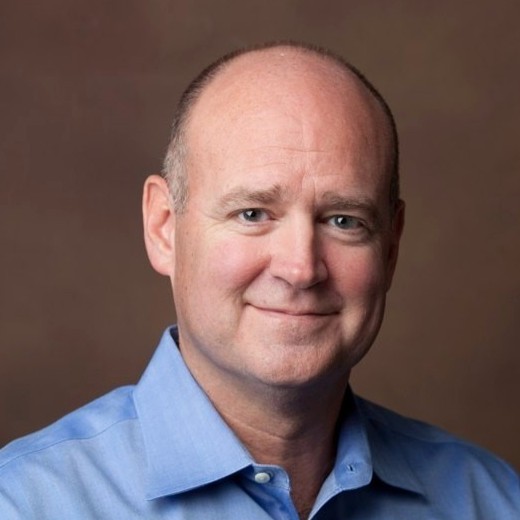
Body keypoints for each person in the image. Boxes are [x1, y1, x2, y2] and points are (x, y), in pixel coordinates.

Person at [0, 42, 518, 519]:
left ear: (391, 247)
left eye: (343, 220)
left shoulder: (492, 501)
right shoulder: (24, 503)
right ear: (164, 228)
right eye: (252, 214)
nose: (301, 269)